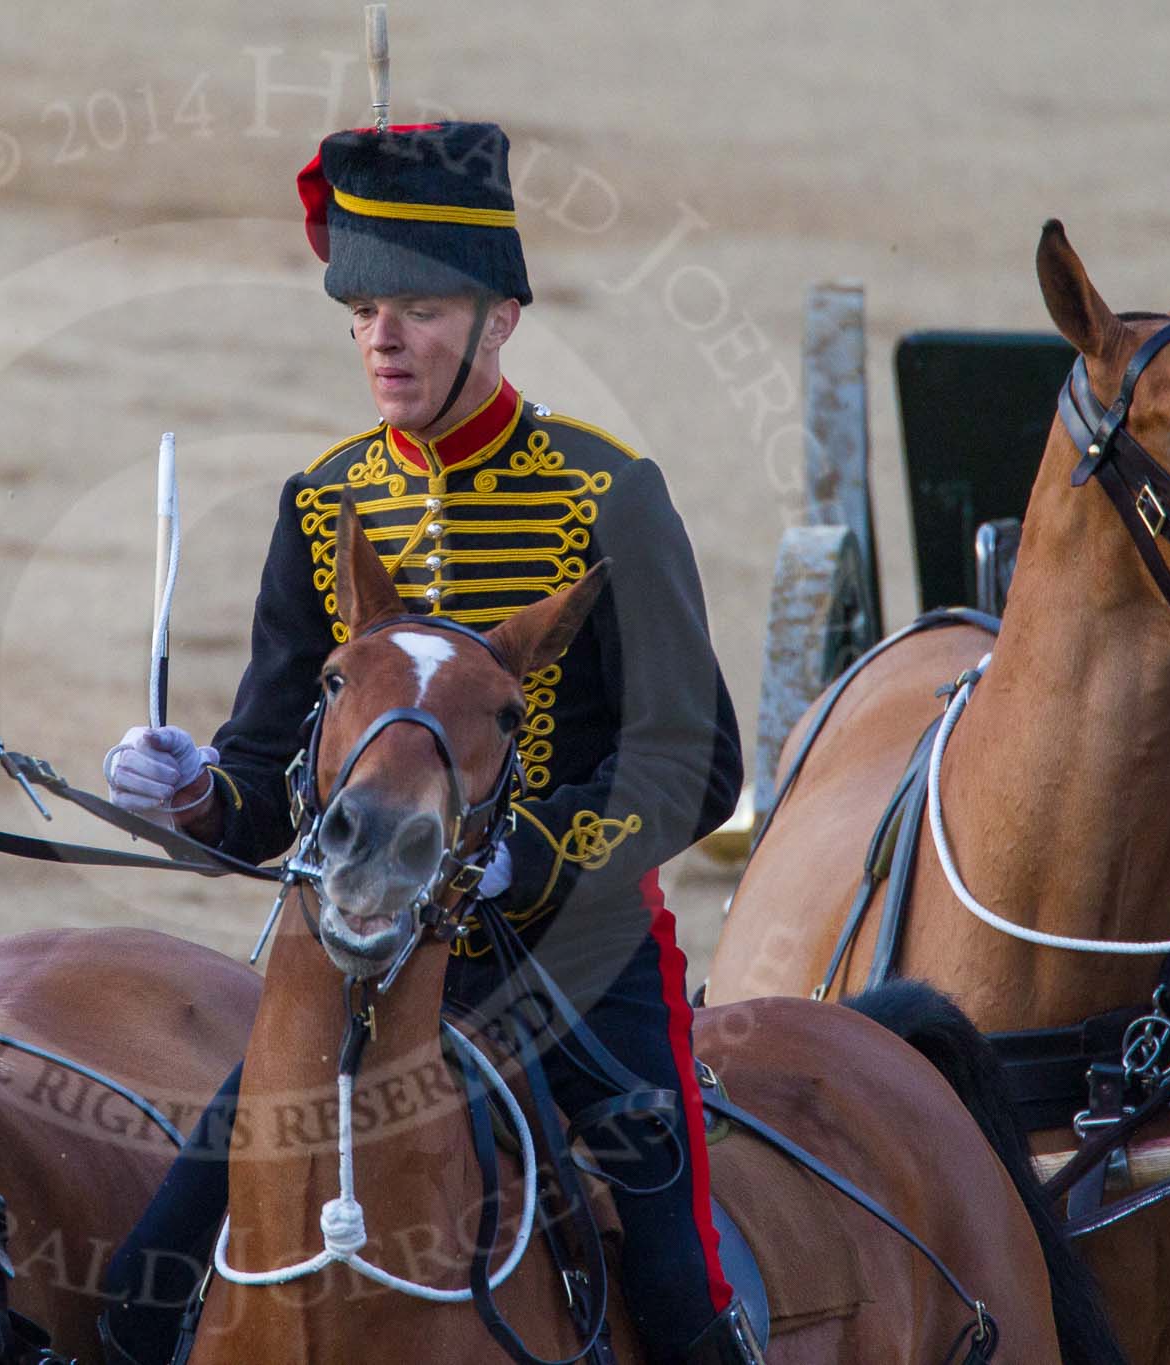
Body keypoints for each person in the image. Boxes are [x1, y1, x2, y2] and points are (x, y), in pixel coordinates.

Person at [100, 121, 753, 1365]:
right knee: (140, 1285)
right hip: (355, 956)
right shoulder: (322, 502)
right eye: (360, 312)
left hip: (570, 956)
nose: (382, 340)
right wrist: (192, 797)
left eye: (416, 308)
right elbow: (266, 776)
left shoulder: (610, 494)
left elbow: (694, 765)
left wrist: (534, 854)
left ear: (500, 318)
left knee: (672, 1289)